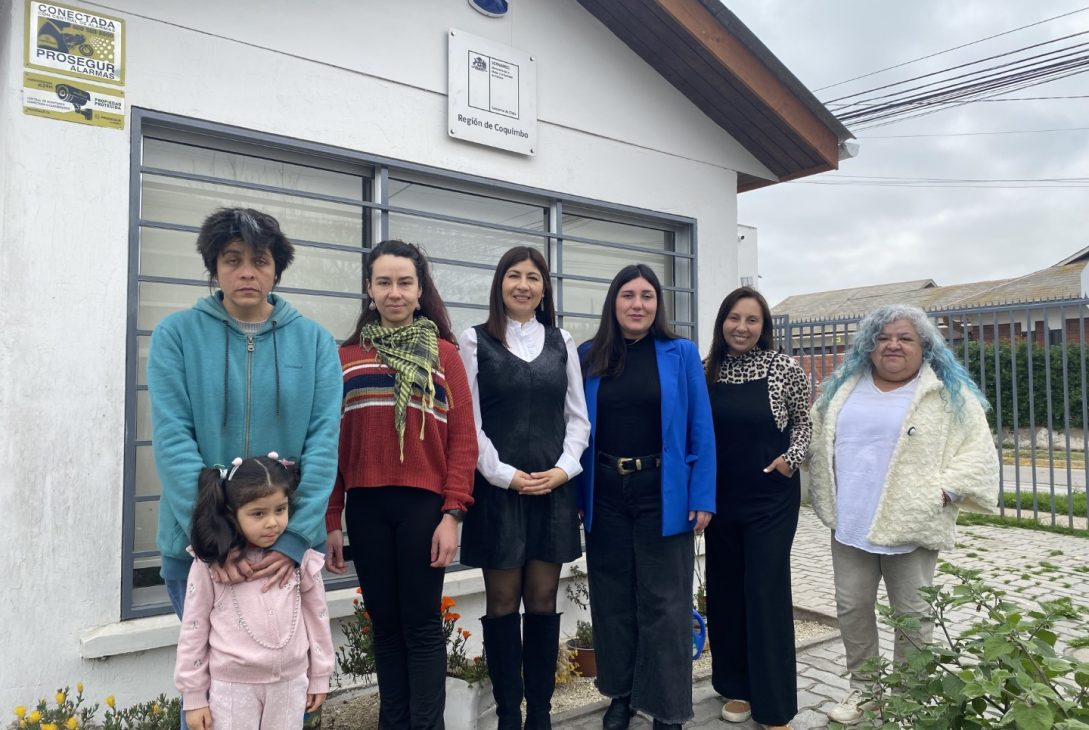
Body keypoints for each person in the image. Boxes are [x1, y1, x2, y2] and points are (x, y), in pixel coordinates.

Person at [806, 304, 999, 726]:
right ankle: (866, 692)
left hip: (911, 526)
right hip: (850, 525)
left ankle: (910, 698)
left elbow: (979, 453)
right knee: (852, 608)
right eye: (883, 338)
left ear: (924, 347)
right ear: (869, 346)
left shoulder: (946, 394)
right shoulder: (843, 387)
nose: (892, 345)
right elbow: (813, 436)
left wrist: (942, 492)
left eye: (905, 338)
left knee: (912, 616)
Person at [148, 208, 341, 621]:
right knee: (208, 680)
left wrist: (295, 537)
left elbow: (323, 444)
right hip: (200, 551)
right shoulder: (176, 336)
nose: (247, 272)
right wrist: (212, 539)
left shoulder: (316, 343)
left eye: (260, 260)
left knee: (285, 676)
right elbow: (172, 440)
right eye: (232, 260)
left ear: (276, 271)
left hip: (286, 551)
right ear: (215, 268)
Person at [325, 240, 478, 729]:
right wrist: (331, 520)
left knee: (421, 625)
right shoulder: (345, 357)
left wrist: (453, 514)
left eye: (404, 282)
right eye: (384, 282)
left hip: (424, 511)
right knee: (385, 629)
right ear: (369, 290)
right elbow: (329, 444)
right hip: (366, 509)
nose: (394, 292)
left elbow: (463, 443)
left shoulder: (446, 356)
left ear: (419, 290)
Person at [576, 264, 715, 730]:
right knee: (613, 599)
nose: (638, 304)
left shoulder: (681, 354)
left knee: (666, 605)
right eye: (628, 295)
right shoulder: (588, 355)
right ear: (613, 303)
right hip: (606, 489)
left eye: (647, 296)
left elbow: (701, 430)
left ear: (658, 304)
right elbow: (574, 431)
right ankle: (622, 695)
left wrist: (703, 496)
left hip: (664, 490)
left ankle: (668, 708)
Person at [457, 246, 590, 730]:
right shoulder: (473, 341)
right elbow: (468, 424)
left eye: (533, 277)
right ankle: (508, 716)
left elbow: (578, 419)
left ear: (543, 288)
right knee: (501, 604)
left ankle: (540, 715)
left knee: (542, 602)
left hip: (552, 491)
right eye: (514, 275)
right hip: (499, 493)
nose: (523, 285)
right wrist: (504, 474)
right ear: (500, 284)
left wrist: (564, 469)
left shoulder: (562, 341)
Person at [703, 286, 810, 730]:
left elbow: (807, 420)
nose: (741, 327)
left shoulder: (784, 367)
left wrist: (791, 458)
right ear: (722, 322)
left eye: (752, 320)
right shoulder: (708, 370)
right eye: (734, 318)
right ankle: (738, 688)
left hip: (770, 500)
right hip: (721, 502)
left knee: (764, 594)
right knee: (726, 592)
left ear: (763, 327)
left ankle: (776, 705)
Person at [175, 454, 334, 730]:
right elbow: (193, 628)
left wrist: (319, 675)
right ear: (231, 513)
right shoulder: (211, 567)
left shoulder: (302, 560)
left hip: (290, 684)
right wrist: (194, 696)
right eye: (258, 514)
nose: (272, 523)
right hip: (232, 689)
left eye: (280, 510)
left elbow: (318, 617)